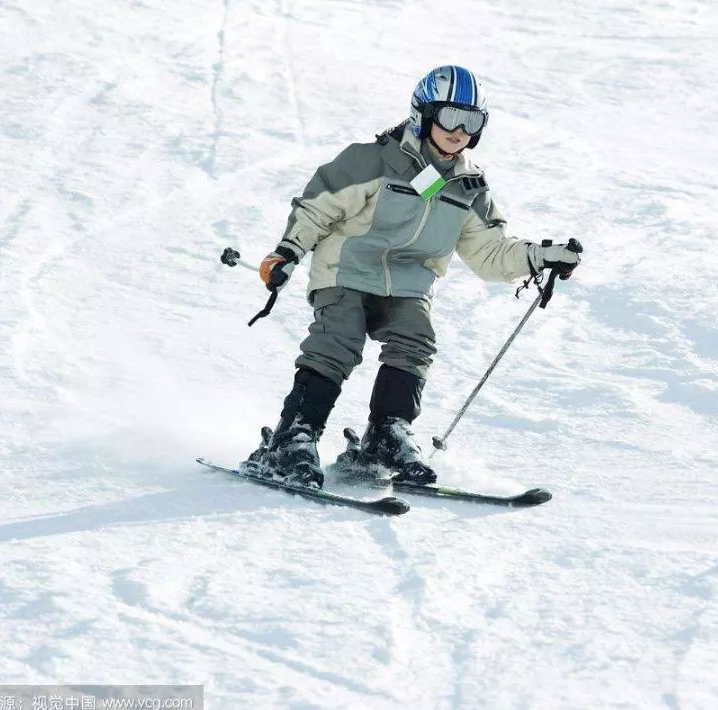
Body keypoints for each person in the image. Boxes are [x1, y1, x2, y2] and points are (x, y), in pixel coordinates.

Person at [242, 65, 582, 488]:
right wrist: (288, 252)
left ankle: (386, 435)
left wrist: (539, 257)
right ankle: (294, 438)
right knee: (338, 343)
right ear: (423, 113)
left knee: (415, 339)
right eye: (450, 117)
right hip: (345, 269)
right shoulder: (373, 160)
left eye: (472, 121)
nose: (460, 131)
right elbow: (319, 206)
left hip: (408, 283)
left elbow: (489, 253)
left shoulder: (468, 186)